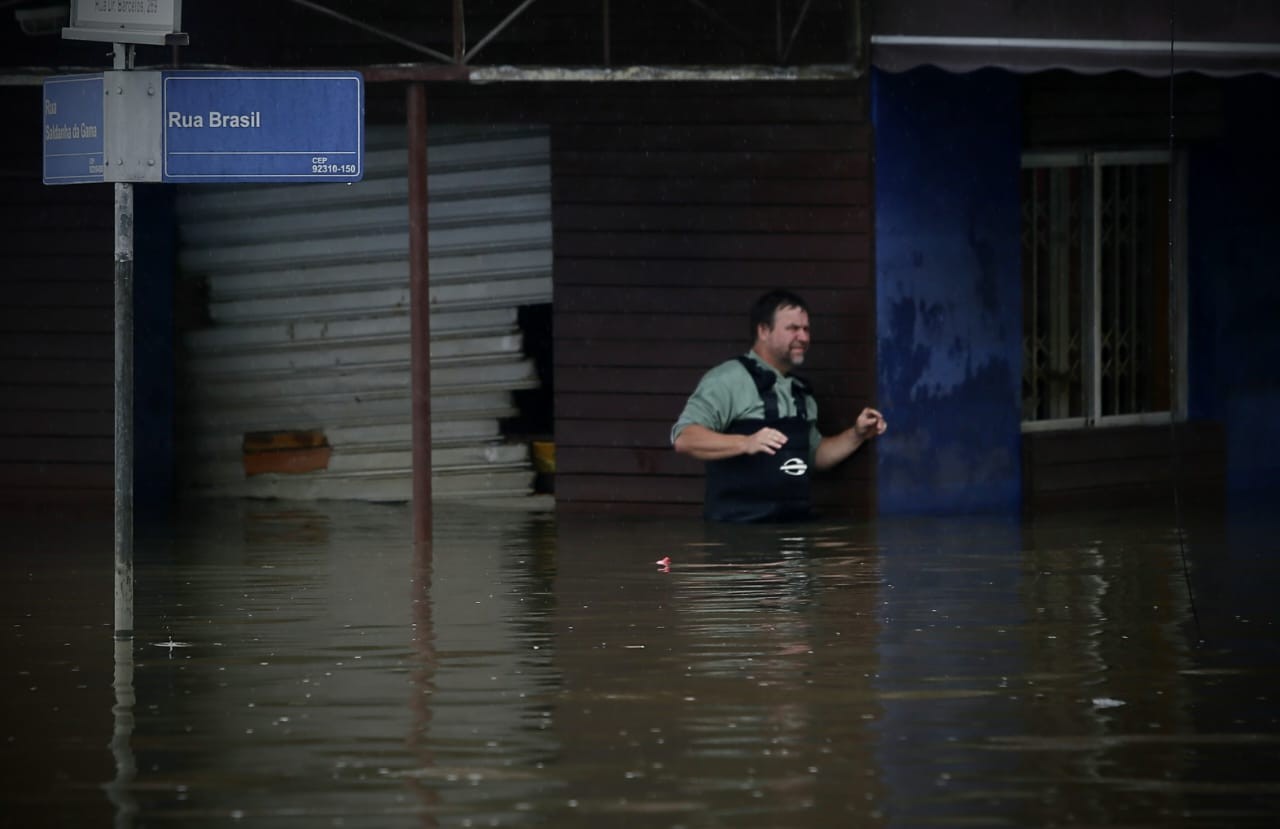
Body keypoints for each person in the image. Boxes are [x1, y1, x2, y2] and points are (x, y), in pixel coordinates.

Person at [671, 289, 887, 522]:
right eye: (793, 328)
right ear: (763, 331)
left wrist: (857, 434)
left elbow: (814, 456)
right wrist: (745, 442)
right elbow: (685, 438)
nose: (803, 337)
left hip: (792, 534)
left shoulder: (800, 392)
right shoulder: (728, 379)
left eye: (806, 329)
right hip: (737, 535)